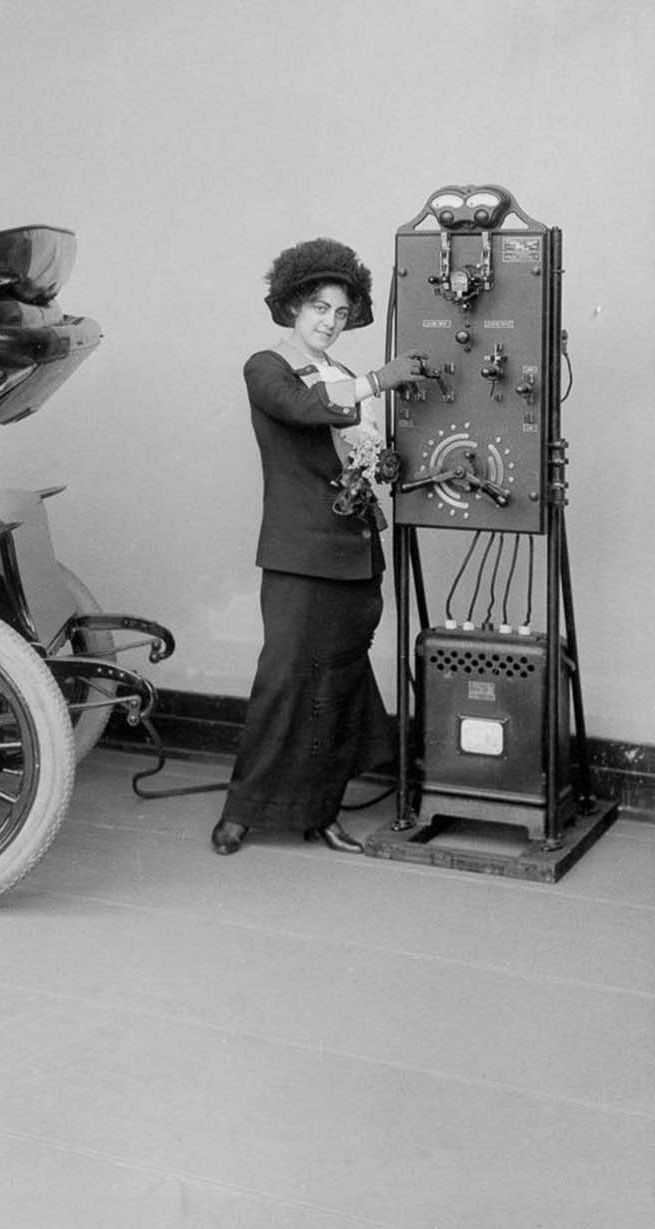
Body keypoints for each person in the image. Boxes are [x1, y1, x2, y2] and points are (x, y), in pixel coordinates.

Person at [210, 237, 425, 856]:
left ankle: (321, 812)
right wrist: (377, 382)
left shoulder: (342, 375)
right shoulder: (266, 367)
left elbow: (366, 450)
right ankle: (241, 813)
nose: (329, 322)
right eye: (318, 309)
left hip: (356, 553)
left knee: (340, 685)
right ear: (292, 309)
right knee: (284, 683)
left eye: (339, 311)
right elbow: (303, 410)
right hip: (299, 554)